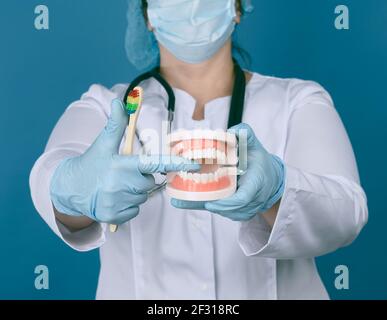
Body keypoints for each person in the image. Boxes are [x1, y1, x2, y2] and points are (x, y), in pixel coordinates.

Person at [29, 0, 368, 299]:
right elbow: (52, 170)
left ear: (237, 7)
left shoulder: (298, 102)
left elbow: (347, 213)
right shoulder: (108, 108)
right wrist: (73, 190)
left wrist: (277, 191)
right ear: (147, 13)